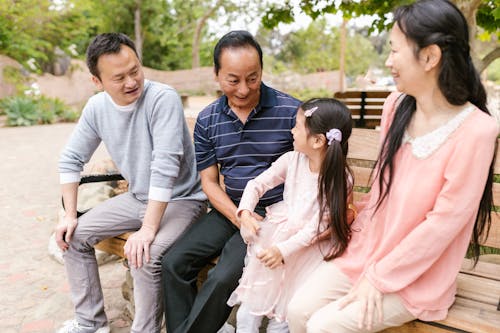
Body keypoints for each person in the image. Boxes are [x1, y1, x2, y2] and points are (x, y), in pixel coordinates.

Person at [287, 1, 498, 332]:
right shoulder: (396, 106)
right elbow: (383, 193)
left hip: (420, 274)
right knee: (297, 311)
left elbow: (443, 225)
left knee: (325, 326)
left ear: (429, 57)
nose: (388, 62)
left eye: (395, 51)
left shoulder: (477, 130)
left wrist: (380, 277)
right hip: (368, 253)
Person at [55, 33, 207, 333]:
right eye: (119, 77)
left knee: (143, 254)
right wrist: (69, 215)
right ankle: (90, 323)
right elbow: (70, 159)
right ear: (97, 82)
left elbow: (166, 167)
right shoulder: (97, 108)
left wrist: (148, 230)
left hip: (182, 199)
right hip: (138, 197)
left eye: (135, 70)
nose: (131, 82)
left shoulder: (162, 98)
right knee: (73, 237)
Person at [161, 30, 300, 333]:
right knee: (174, 263)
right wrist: (240, 217)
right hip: (230, 211)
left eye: (253, 78)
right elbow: (209, 182)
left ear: (261, 70)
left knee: (222, 277)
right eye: (233, 80)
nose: (243, 89)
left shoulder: (291, 112)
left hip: (272, 218)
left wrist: (259, 220)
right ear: (216, 74)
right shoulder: (209, 119)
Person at [227, 98, 355, 333]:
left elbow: (315, 227)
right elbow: (257, 184)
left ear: (317, 140)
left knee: (281, 321)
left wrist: (282, 250)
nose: (291, 131)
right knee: (247, 313)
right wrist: (245, 211)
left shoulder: (339, 178)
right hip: (276, 239)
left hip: (307, 252)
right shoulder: (292, 160)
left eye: (297, 126)